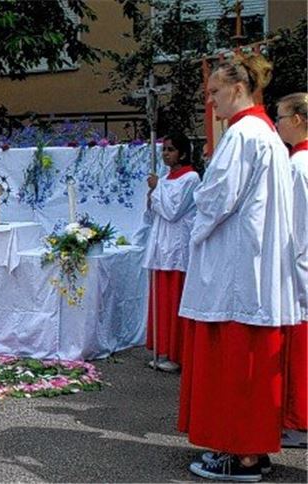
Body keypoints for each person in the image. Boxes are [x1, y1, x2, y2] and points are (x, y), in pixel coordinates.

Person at [179, 54, 299, 481]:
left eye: (214, 92)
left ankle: (241, 455)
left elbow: (215, 198)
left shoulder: (243, 134)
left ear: (237, 88)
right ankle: (251, 449)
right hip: (256, 264)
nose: (211, 102)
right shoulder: (266, 133)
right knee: (248, 360)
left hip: (238, 267)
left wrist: (195, 216)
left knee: (236, 361)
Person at [142, 133, 199, 372]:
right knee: (161, 301)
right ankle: (162, 348)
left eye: (171, 149)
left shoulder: (191, 178)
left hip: (177, 247)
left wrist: (157, 190)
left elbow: (174, 211)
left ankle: (177, 354)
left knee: (175, 299)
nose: (166, 153)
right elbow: (153, 213)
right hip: (161, 245)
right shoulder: (165, 177)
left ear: (183, 153)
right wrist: (151, 197)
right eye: (164, 149)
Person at [276, 92, 308, 449]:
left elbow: (297, 230)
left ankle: (299, 421)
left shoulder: (297, 166)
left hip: (301, 270)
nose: (278, 124)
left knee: (300, 351)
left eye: (282, 117)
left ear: (298, 120)